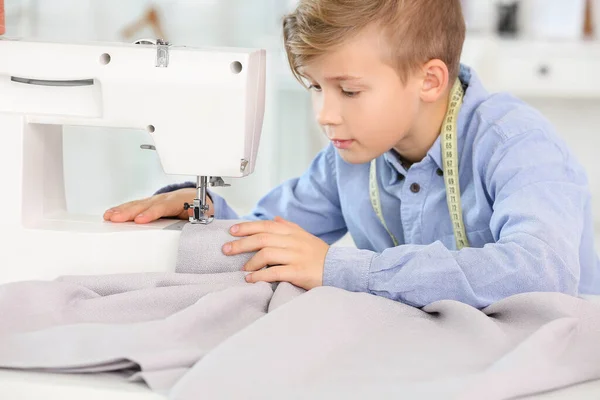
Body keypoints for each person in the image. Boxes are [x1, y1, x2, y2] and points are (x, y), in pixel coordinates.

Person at [104, 0, 600, 308]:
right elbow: (274, 238)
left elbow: (542, 270)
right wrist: (204, 211)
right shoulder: (348, 159)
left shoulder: (515, 144)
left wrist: (345, 270)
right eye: (316, 87)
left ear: (429, 80)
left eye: (349, 90)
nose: (324, 113)